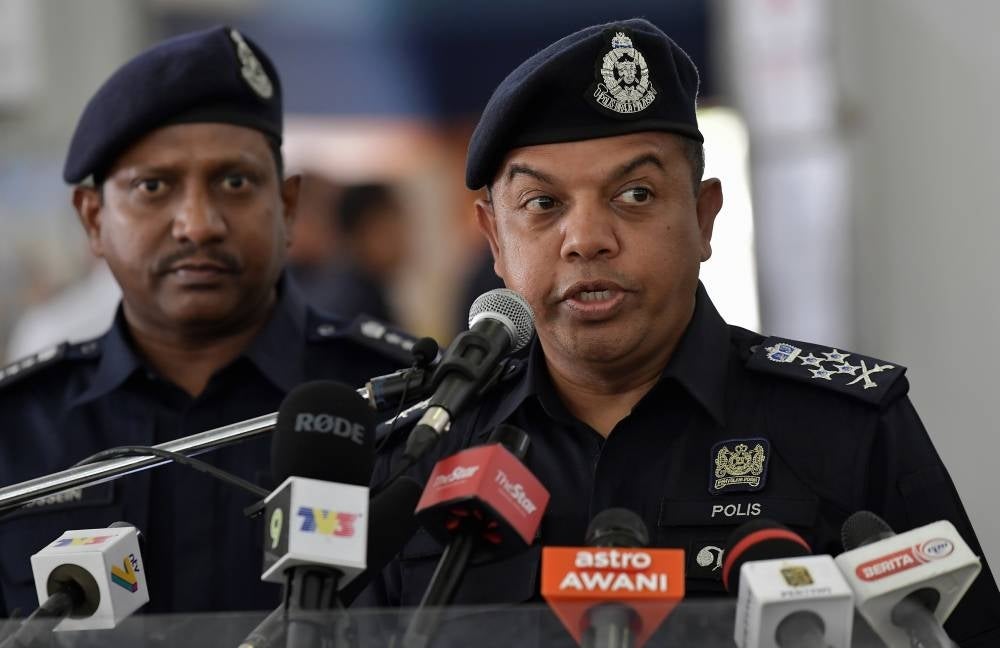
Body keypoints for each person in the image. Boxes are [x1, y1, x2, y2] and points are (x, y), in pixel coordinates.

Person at [363, 18, 1000, 646]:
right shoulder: (422, 453)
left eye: (635, 194)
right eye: (543, 205)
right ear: (496, 242)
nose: (586, 239)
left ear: (703, 218)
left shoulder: (847, 429)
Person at [0, 26, 417, 616]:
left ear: (287, 207)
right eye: (153, 186)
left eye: (234, 182)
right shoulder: (19, 429)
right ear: (93, 219)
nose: (198, 224)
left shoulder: (404, 405)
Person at [291, 182, 409, 325]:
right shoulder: (350, 300)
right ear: (361, 233)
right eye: (390, 230)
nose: (402, 240)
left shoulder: (368, 288)